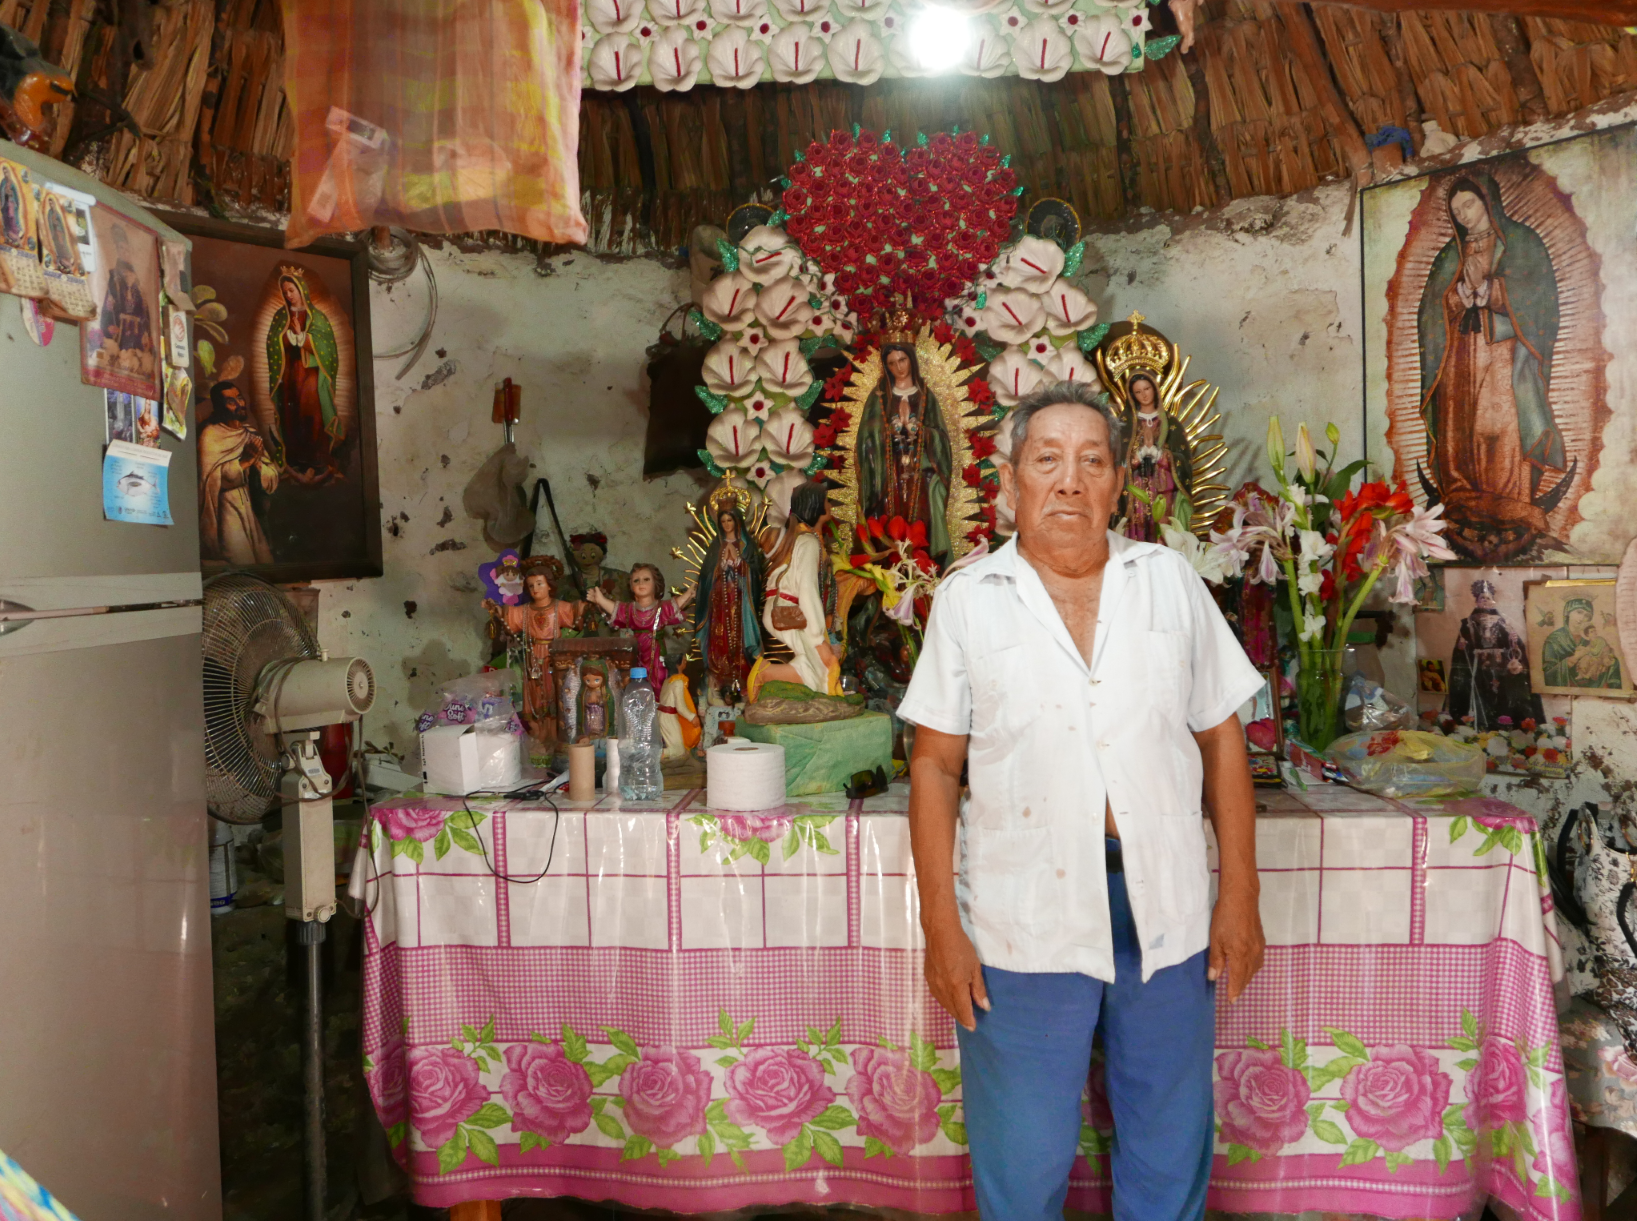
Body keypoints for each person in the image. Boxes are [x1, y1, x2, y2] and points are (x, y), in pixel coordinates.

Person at [898, 380, 1266, 1221]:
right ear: (1011, 482)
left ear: (1116, 484)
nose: (1069, 481)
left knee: (1166, 1147)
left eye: (1090, 461)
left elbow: (1220, 738)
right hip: (1018, 918)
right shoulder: (968, 600)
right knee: (1023, 1159)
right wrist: (941, 930)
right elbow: (934, 767)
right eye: (1047, 460)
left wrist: (1239, 894)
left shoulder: (1166, 581)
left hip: (1163, 907)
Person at [1418, 174, 1568, 550]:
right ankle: (1463, 498)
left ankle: (1511, 502)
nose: (1464, 215)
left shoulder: (1521, 243)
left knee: (1499, 424)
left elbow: (1541, 299)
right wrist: (1458, 298)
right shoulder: (1449, 254)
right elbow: (1429, 312)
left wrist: (1492, 290)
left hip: (1502, 353)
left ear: (1488, 200)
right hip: (1458, 356)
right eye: (1456, 211)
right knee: (1461, 426)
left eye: (1469, 204)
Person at [856, 342, 954, 566]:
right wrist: (884, 434)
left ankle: (926, 568)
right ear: (886, 367)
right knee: (887, 521)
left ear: (911, 360)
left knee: (926, 511)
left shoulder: (926, 397)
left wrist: (924, 433)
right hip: (888, 475)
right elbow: (866, 440)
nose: (899, 367)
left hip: (921, 473)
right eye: (891, 363)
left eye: (902, 360)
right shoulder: (879, 398)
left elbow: (942, 438)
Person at [749, 481, 840, 699]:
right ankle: (763, 674)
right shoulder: (807, 541)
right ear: (815, 505)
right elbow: (807, 588)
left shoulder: (798, 537)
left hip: (782, 610)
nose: (829, 504)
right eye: (826, 500)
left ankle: (767, 673)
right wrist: (818, 634)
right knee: (827, 664)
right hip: (790, 611)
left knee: (812, 665)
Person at [487, 557, 580, 748]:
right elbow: (509, 616)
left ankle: (554, 735)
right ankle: (538, 734)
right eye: (531, 585)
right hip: (532, 657)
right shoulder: (525, 610)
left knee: (555, 693)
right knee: (534, 694)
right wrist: (495, 609)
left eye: (539, 583)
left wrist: (590, 604)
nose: (535, 589)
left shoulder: (559, 607)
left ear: (550, 586)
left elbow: (576, 613)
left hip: (555, 658)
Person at [267, 270, 344, 484]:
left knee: (311, 412)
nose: (289, 295)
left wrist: (302, 336)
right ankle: (294, 460)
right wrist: (285, 337)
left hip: (310, 374)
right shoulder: (280, 316)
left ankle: (317, 460)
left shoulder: (317, 317)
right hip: (289, 373)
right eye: (285, 292)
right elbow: (273, 344)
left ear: (302, 290)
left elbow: (328, 349)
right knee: (291, 414)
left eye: (292, 290)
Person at [692, 495, 766, 704]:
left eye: (729, 520)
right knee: (720, 636)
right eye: (723, 521)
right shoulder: (715, 548)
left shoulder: (747, 546)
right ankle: (718, 674)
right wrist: (719, 569)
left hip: (741, 601)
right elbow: (705, 577)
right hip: (719, 602)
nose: (726, 524)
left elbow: (756, 575)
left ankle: (743, 674)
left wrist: (741, 565)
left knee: (740, 636)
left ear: (737, 521)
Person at [198, 382, 278, 565]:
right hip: (226, 512)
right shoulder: (210, 435)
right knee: (239, 565)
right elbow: (210, 479)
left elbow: (271, 477)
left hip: (251, 509)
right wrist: (244, 462)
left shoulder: (250, 434)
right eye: (231, 401)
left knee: (263, 565)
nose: (239, 404)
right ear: (220, 406)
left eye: (240, 397)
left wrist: (256, 464)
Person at [1447, 578, 1543, 730]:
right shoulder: (1468, 623)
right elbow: (1462, 650)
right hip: (1478, 669)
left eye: (1488, 598)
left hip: (1501, 669)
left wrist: (1514, 641)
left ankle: (1504, 727)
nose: (1485, 601)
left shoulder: (1502, 622)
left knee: (1502, 697)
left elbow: (1514, 648)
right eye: (1482, 598)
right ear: (1476, 601)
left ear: (1493, 601)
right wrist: (1461, 647)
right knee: (1481, 697)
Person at [584, 563, 696, 690]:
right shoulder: (630, 609)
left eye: (646, 579)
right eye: (636, 581)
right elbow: (616, 609)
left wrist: (687, 595)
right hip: (636, 652)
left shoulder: (660, 607)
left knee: (660, 677)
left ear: (656, 583)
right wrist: (601, 600)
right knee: (635, 680)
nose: (641, 583)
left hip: (656, 652)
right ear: (631, 587)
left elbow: (673, 606)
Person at [1120, 372, 1192, 542]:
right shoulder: (1126, 423)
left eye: (1147, 388)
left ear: (1154, 389)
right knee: (1138, 527)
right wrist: (1140, 454)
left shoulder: (1170, 423)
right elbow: (1117, 460)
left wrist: (1160, 455)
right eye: (1138, 392)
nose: (1144, 394)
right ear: (1132, 395)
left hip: (1163, 486)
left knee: (1164, 527)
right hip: (1136, 488)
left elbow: (1183, 458)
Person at [1542, 597, 1622, 689]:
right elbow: (1548, 674)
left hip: (1593, 686)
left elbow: (1608, 658)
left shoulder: (1589, 638)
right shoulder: (1554, 640)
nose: (1582, 618)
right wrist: (1573, 659)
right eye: (1579, 612)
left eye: (1587, 615)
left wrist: (1606, 659)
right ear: (1568, 612)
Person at [563, 531, 629, 634]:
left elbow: (628, 609)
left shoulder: (620, 578)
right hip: (578, 636)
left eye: (592, 554)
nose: (587, 558)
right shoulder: (565, 582)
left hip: (609, 635)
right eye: (583, 555)